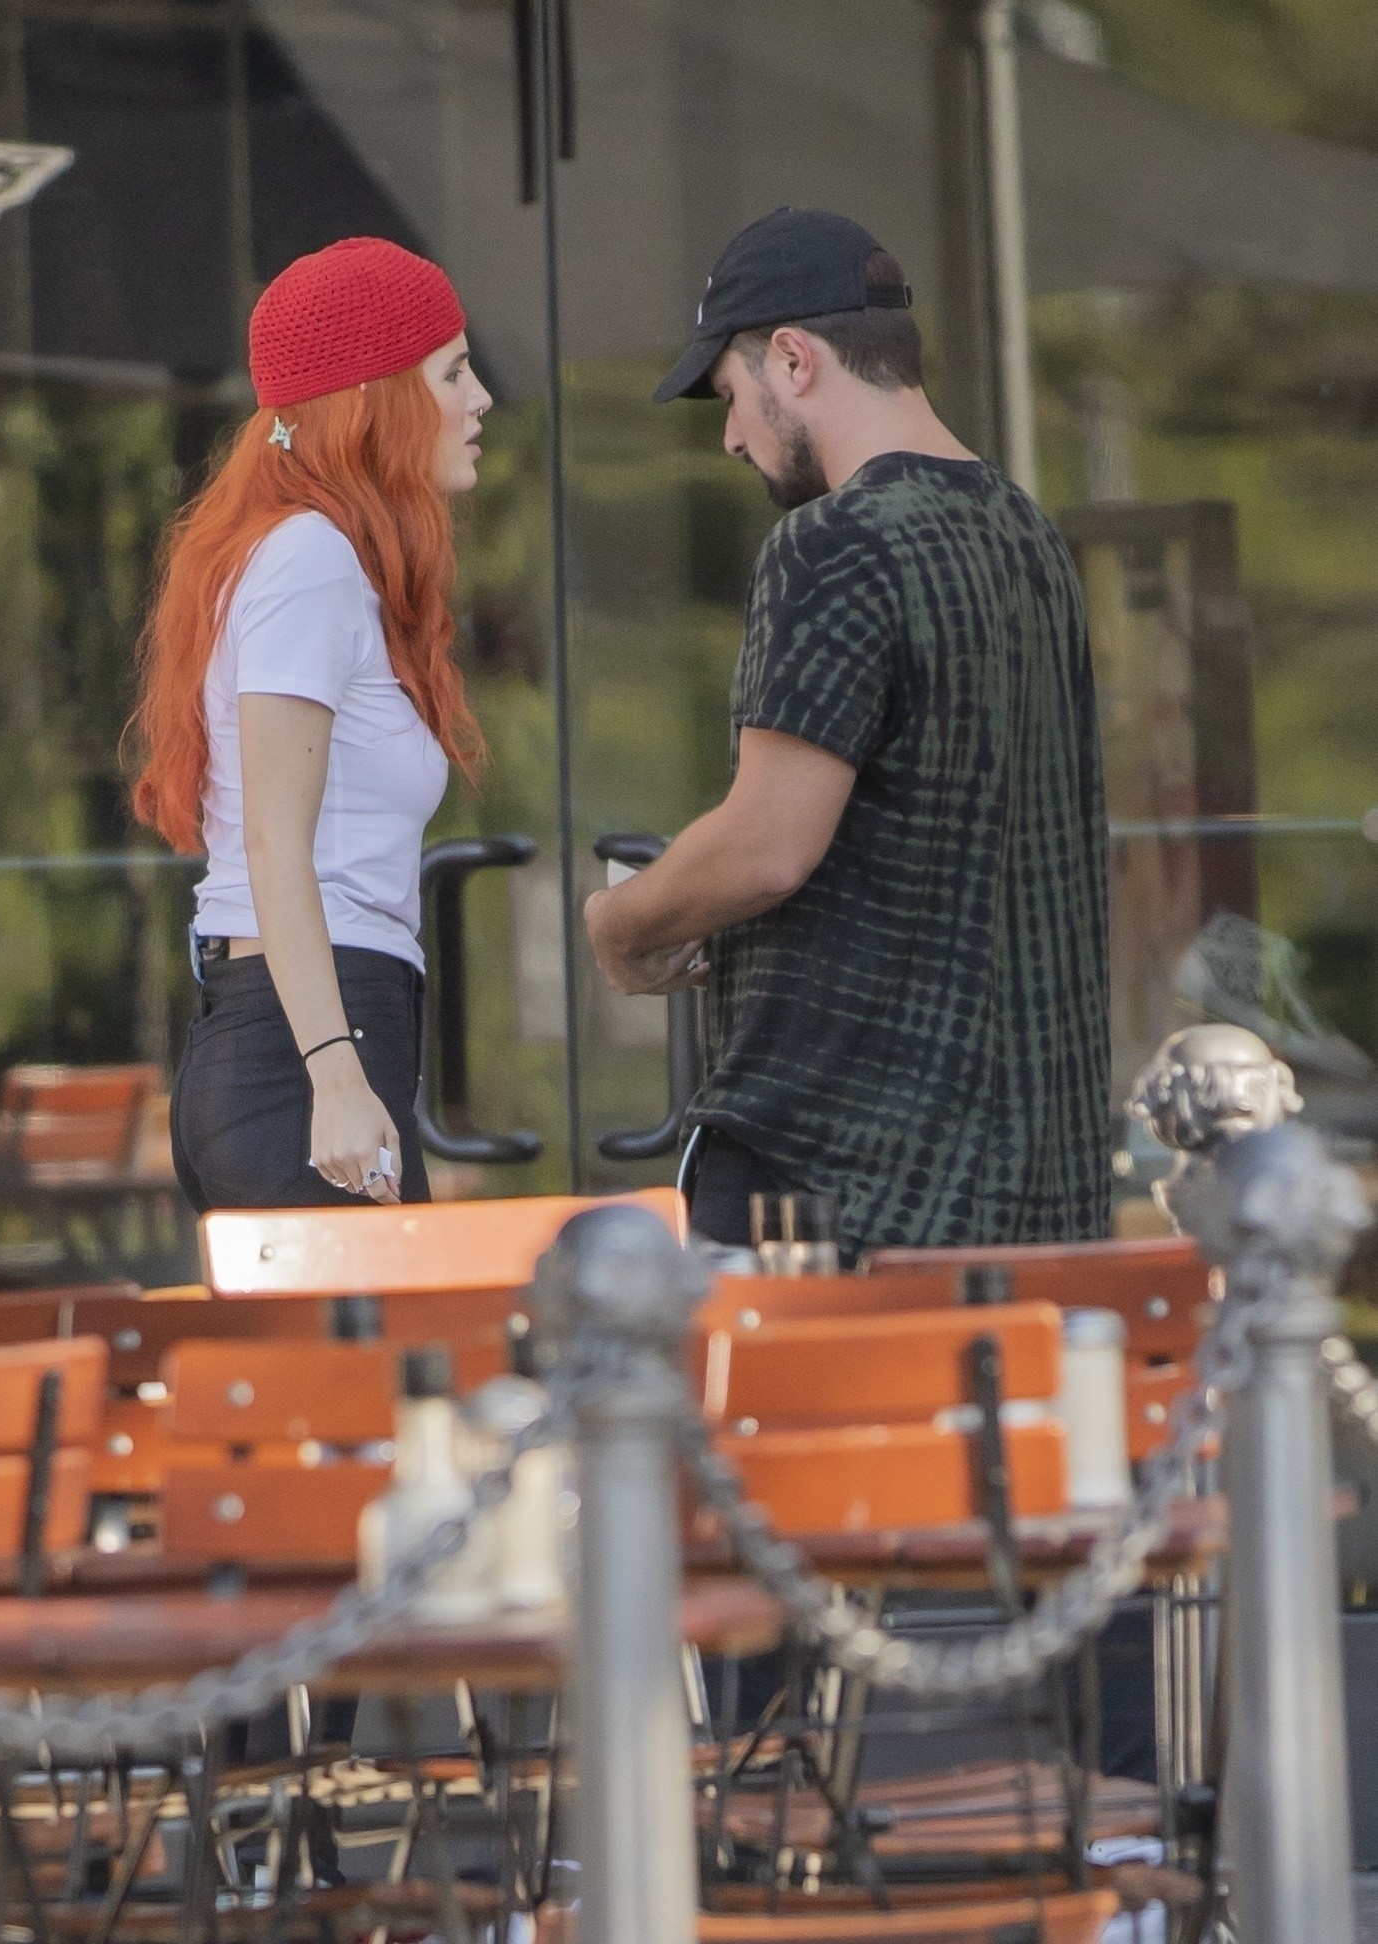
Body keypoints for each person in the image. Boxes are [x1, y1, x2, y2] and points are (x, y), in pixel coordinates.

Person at [584, 207, 1111, 1263]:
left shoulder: (830, 542)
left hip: (835, 1184)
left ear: (792, 358)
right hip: (1027, 1192)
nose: (731, 436)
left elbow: (766, 846)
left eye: (729, 396)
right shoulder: (1027, 535)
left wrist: (620, 924)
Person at [128, 235, 491, 1212]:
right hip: (304, 1053)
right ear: (375, 397)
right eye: (453, 372)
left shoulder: (313, 556)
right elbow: (274, 841)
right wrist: (334, 1072)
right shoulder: (309, 557)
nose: (481, 399)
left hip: (301, 1041)